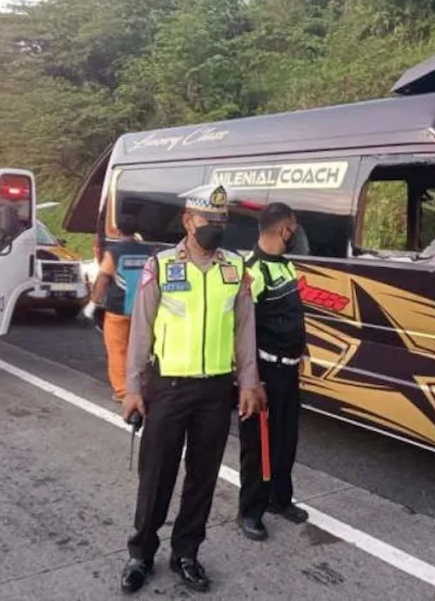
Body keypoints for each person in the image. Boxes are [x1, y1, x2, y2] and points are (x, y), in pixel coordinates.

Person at [119, 184, 266, 595]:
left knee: (202, 478)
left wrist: (249, 383)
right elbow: (140, 331)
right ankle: (141, 554)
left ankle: (187, 552)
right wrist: (133, 388)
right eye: (208, 221)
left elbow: (244, 331)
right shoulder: (162, 265)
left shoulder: (234, 268)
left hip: (216, 391)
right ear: (188, 220)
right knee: (157, 476)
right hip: (168, 388)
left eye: (221, 222)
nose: (215, 228)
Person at [237, 202, 309, 542]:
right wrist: (252, 380)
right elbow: (244, 330)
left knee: (286, 439)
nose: (296, 234)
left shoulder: (287, 266)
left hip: (290, 371)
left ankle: (281, 499)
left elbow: (291, 317)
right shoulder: (254, 271)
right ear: (284, 230)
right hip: (265, 372)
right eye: (294, 228)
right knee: (257, 446)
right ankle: (251, 510)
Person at [82, 214, 149, 402]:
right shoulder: (147, 252)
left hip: (118, 310)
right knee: (139, 350)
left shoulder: (114, 252)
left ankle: (123, 392)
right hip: (142, 310)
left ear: (118, 231)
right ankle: (140, 387)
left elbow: (103, 278)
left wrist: (93, 303)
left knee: (117, 350)